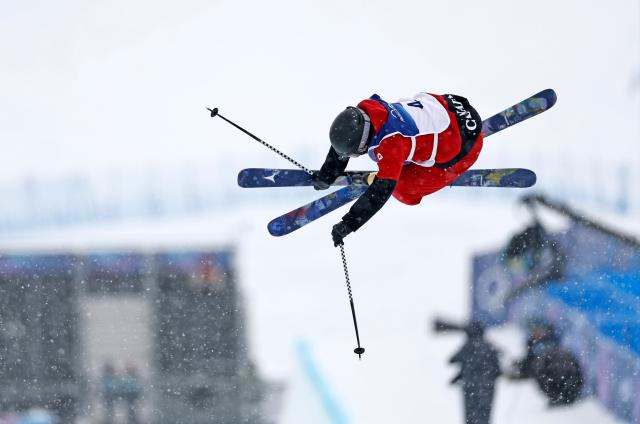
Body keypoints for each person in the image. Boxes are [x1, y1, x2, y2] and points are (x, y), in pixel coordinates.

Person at [313, 92, 483, 245]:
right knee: (403, 153)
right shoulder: (367, 108)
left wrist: (348, 224)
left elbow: (381, 193)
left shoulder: (390, 145)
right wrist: (328, 174)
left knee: (402, 190)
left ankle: (419, 174)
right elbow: (347, 134)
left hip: (467, 147)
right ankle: (399, 167)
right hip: (452, 107)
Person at [449, 321, 501, 424]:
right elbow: (498, 369)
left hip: (470, 387)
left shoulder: (467, 346)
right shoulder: (490, 346)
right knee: (484, 414)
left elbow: (451, 360)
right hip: (487, 387)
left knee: (471, 415)